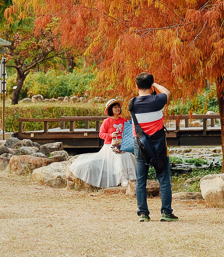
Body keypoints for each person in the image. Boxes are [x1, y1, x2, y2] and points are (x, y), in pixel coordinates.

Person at [130, 73, 177, 222]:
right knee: (164, 179)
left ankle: (143, 213)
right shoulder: (158, 100)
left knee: (141, 180)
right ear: (151, 86)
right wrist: (155, 85)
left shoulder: (132, 103)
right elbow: (167, 93)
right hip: (158, 145)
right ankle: (166, 212)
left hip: (140, 145)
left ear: (136, 87)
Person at [68, 98, 137, 189]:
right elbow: (101, 134)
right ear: (110, 110)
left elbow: (128, 131)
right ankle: (122, 178)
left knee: (128, 155)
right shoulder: (107, 121)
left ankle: (132, 177)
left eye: (118, 107)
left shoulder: (123, 120)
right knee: (119, 157)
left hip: (122, 144)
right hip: (110, 146)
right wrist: (111, 135)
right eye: (115, 107)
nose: (117, 109)